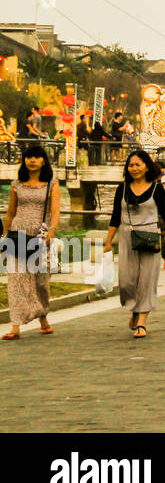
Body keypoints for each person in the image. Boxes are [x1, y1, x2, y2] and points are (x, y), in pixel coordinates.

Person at [102, 150, 165, 338]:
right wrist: (108, 241)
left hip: (149, 235)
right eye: (131, 165)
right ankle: (134, 308)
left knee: (147, 279)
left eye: (138, 164)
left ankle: (142, 321)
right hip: (126, 235)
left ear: (147, 166)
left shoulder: (157, 189)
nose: (134, 168)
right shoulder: (122, 189)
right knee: (127, 280)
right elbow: (115, 216)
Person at [3, 143, 60, 339]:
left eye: (36, 157)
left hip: (40, 235)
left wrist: (52, 230)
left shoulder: (51, 183)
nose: (32, 160)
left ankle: (42, 314)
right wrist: (4, 235)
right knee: (17, 280)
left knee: (40, 281)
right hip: (17, 232)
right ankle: (16, 325)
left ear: (43, 160)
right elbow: (10, 212)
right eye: (28, 157)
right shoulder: (16, 183)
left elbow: (55, 210)